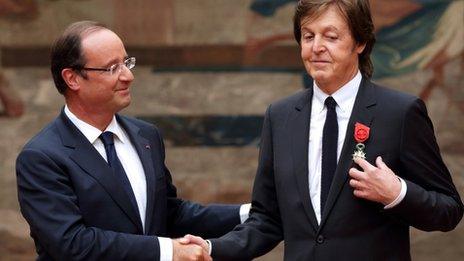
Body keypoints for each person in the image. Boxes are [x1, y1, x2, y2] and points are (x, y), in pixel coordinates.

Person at [181, 0, 464, 260]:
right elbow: (267, 219)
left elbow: (448, 210)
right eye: (308, 36)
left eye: (330, 36)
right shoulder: (280, 116)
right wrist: (212, 248)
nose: (316, 47)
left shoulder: (399, 113)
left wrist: (397, 193)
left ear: (360, 42)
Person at [16, 21, 249, 261]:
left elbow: (168, 214)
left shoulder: (146, 135)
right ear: (72, 78)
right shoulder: (41, 157)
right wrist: (169, 251)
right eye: (111, 68)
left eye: (126, 63)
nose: (128, 76)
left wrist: (249, 214)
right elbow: (72, 243)